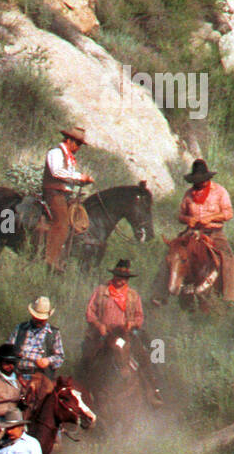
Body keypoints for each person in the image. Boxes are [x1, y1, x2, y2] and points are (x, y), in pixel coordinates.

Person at [152, 158, 234, 306]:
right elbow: (180, 215)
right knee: (171, 255)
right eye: (197, 181)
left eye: (202, 180)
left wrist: (211, 217)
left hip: (214, 232)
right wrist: (188, 220)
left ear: (208, 178)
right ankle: (160, 294)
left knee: (228, 257)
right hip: (191, 232)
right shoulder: (188, 194)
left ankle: (230, 296)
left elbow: (228, 213)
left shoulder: (219, 191)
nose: (199, 183)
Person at [42, 123, 93, 273]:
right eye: (77, 143)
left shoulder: (69, 158)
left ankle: (64, 256)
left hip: (65, 194)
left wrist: (81, 181)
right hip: (53, 192)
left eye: (80, 144)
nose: (78, 147)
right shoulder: (56, 153)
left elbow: (67, 177)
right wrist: (79, 177)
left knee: (78, 221)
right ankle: (50, 259)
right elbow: (57, 172)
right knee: (62, 223)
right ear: (69, 140)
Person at [82, 259, 143, 359]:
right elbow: (90, 312)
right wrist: (99, 325)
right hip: (103, 332)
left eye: (124, 278)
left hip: (123, 333)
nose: (121, 280)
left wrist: (132, 323)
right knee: (88, 356)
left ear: (128, 279)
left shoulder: (133, 295)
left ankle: (149, 373)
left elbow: (139, 316)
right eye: (118, 276)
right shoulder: (101, 291)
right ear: (114, 276)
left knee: (140, 353)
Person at [8, 296, 65, 379]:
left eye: (42, 319)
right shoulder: (20, 329)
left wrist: (48, 360)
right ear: (32, 315)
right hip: (17, 373)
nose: (39, 321)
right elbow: (7, 350)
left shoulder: (53, 333)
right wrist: (14, 354)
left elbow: (59, 357)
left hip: (40, 376)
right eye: (37, 318)